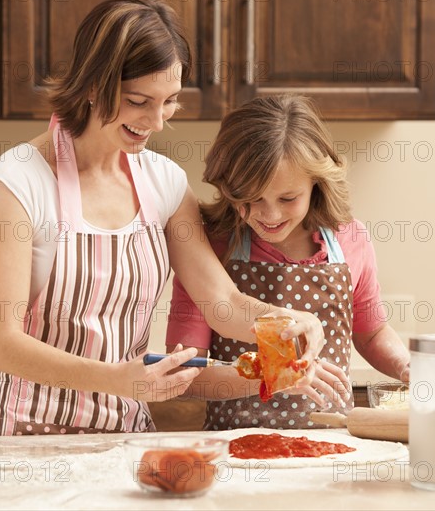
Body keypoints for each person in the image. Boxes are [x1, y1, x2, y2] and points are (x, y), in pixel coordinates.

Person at [0, 0, 325, 437]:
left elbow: (224, 304)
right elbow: (2, 345)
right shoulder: (19, 181)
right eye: (140, 101)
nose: (157, 121)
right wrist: (117, 380)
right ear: (93, 84)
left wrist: (286, 320)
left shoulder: (165, 183)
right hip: (17, 432)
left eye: (170, 101)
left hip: (121, 433)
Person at [166, 94, 411, 430]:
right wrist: (274, 374)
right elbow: (186, 374)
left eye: (288, 198)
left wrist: (405, 365)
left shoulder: (351, 240)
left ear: (317, 183)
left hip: (335, 445)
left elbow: (371, 334)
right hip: (236, 450)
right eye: (250, 199)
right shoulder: (210, 247)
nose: (270, 215)